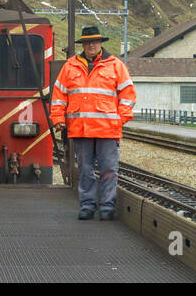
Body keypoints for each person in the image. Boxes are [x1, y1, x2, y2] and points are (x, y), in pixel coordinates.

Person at [50, 26, 136, 220]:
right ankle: (87, 206)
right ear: (83, 44)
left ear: (100, 43)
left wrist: (120, 119)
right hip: (81, 129)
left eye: (94, 42)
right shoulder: (70, 66)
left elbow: (128, 95)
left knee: (108, 170)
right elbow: (59, 97)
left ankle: (107, 206)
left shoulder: (116, 65)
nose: (91, 45)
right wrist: (57, 119)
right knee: (85, 170)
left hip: (108, 129)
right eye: (88, 42)